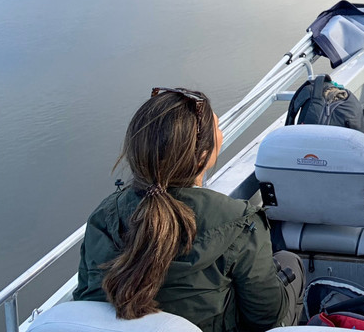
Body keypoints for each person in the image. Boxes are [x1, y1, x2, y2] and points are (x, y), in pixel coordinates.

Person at [74, 87, 304, 332]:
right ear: (203, 154)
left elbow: (85, 300)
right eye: (217, 127)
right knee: (290, 262)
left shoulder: (103, 217)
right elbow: (264, 317)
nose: (222, 133)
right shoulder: (240, 223)